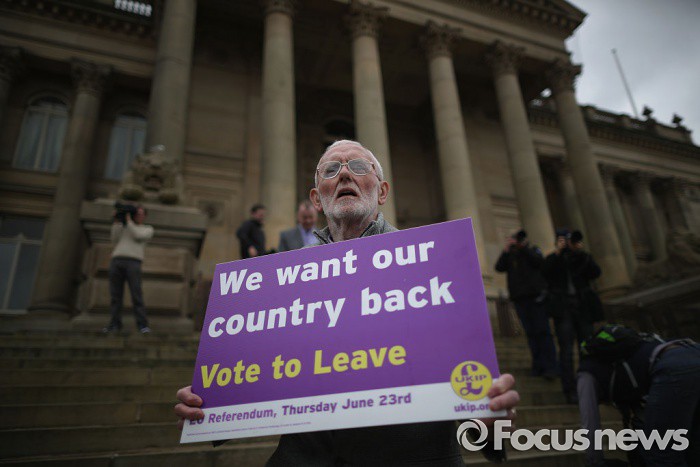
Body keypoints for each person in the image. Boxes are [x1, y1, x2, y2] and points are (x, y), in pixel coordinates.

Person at [175, 140, 520, 466]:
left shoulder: (432, 266)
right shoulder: (278, 282)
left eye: (357, 166)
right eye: (330, 170)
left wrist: (492, 422)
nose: (343, 174)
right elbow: (252, 375)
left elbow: (473, 403)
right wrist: (206, 406)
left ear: (382, 191)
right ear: (316, 199)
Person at [577, 324, 700, 466]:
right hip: (692, 349)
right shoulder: (628, 358)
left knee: (658, 450)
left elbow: (589, 419)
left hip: (673, 367)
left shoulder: (586, 373)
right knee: (692, 446)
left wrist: (595, 461)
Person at [543, 229, 604, 404]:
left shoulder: (582, 257)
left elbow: (595, 273)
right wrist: (558, 252)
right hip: (563, 310)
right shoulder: (554, 259)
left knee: (587, 348)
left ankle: (590, 386)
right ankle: (570, 389)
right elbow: (545, 272)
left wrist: (581, 253)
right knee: (566, 351)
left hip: (582, 308)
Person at [495, 229, 557, 379]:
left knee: (542, 332)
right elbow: (499, 267)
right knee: (531, 334)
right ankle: (538, 365)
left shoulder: (532, 250)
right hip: (520, 299)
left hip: (536, 298)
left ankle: (551, 366)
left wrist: (524, 248)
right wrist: (506, 251)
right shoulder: (511, 254)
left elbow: (539, 262)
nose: (516, 240)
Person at [103, 205, 154, 334]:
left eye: (141, 214)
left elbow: (137, 235)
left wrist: (129, 221)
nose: (138, 216)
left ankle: (142, 325)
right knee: (115, 295)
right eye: (136, 213)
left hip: (133, 262)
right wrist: (117, 222)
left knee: (136, 294)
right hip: (117, 261)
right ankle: (114, 324)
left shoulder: (147, 229)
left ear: (145, 216)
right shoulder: (124, 227)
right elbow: (114, 239)